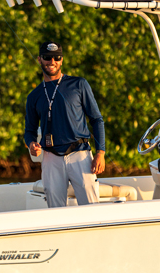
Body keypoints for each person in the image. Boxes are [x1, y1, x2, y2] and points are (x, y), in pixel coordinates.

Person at [24, 41, 105, 208]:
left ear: (61, 60)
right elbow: (29, 131)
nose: (51, 62)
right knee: (56, 212)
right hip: (50, 157)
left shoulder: (79, 84)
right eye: (47, 58)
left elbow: (96, 119)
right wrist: (31, 144)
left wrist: (100, 153)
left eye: (56, 58)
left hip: (80, 154)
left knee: (92, 208)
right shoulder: (34, 96)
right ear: (39, 59)